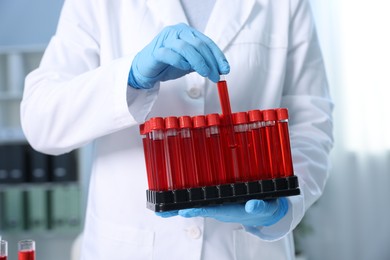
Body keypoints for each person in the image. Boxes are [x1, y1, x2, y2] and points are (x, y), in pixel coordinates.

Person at [20, 0, 333, 259]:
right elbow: (40, 120)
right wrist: (129, 77)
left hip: (245, 249)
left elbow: (311, 122)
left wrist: (282, 207)